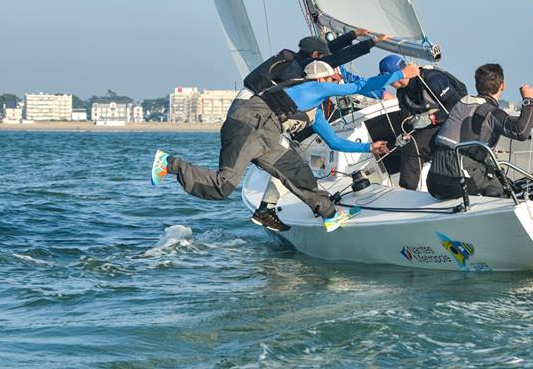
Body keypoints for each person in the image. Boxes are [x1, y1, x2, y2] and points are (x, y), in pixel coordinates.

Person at [151, 60, 421, 232]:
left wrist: (369, 149)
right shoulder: (313, 87)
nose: (336, 84)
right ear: (321, 79)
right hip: (249, 125)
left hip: (267, 131)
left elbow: (334, 141)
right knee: (223, 186)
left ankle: (330, 216)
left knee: (296, 170)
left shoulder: (315, 110)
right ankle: (169, 163)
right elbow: (360, 87)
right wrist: (401, 74)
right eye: (333, 80)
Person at [426, 63, 533, 200]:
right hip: (458, 180)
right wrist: (528, 100)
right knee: (502, 189)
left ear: (477, 84)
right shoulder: (491, 113)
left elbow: (510, 123)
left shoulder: (463, 103)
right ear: (502, 85)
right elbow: (521, 131)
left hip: (434, 179)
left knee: (497, 178)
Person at [376, 55, 467, 190]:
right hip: (435, 126)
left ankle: (409, 190)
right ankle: (408, 192)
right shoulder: (402, 93)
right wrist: (402, 136)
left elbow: (459, 105)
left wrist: (432, 118)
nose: (388, 83)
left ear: (397, 75)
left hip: (456, 121)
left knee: (414, 146)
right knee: (409, 144)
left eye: (388, 79)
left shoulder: (432, 79)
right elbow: (407, 121)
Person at [243, 29, 388, 94]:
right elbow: (340, 57)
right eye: (322, 56)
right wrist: (373, 41)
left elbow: (329, 48)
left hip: (250, 93)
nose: (325, 59)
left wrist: (353, 34)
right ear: (315, 55)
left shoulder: (294, 57)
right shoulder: (304, 66)